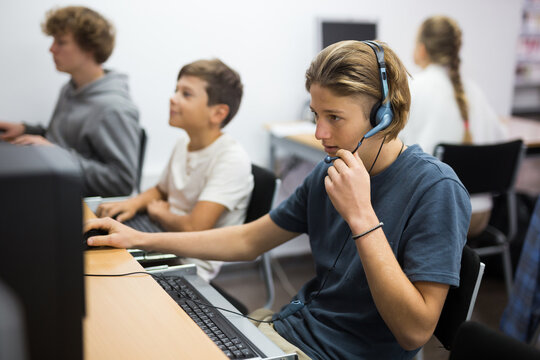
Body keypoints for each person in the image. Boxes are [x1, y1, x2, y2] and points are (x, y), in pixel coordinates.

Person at [85, 40, 470, 359]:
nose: (319, 132)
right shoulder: (328, 171)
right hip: (289, 330)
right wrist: (138, 239)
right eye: (315, 114)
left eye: (334, 117)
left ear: (384, 116)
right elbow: (248, 240)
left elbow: (414, 331)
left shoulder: (435, 189)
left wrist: (361, 217)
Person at [96, 59, 253, 282]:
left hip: (188, 262)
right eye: (176, 90)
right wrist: (132, 203)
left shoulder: (231, 159)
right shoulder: (183, 143)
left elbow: (194, 228)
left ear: (218, 113)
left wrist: (160, 214)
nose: (173, 98)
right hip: (163, 238)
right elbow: (161, 190)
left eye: (186, 94)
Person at [0, 6, 141, 197]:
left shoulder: (114, 108)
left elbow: (121, 182)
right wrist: (26, 130)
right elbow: (64, 141)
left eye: (61, 42)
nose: (51, 49)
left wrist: (57, 155)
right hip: (54, 188)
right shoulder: (71, 88)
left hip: (77, 205)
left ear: (89, 48)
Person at [400, 15, 508, 236]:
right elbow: (501, 138)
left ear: (421, 49)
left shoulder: (413, 88)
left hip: (434, 215)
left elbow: (390, 146)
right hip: (478, 214)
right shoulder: (474, 91)